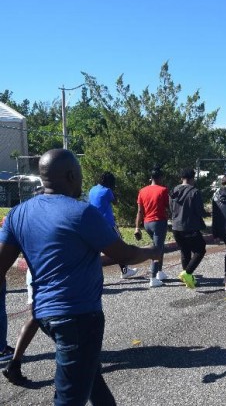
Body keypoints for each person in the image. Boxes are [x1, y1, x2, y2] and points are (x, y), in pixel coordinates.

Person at [0, 148, 160, 405]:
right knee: (69, 398)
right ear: (71, 176)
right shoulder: (81, 213)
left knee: (91, 377)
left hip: (44, 315)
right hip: (78, 317)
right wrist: (152, 251)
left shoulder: (18, 214)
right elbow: (124, 254)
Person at [89, 172, 139, 279]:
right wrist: (114, 191)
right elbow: (115, 202)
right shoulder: (107, 191)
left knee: (96, 250)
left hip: (95, 224)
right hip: (108, 224)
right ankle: (125, 271)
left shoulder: (92, 189)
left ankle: (92, 275)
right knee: (121, 245)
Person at [171, 168, 208, 290]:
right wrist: (207, 214)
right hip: (190, 226)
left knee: (185, 251)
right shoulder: (194, 192)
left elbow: (171, 208)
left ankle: (188, 279)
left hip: (176, 226)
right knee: (200, 249)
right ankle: (187, 273)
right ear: (192, 178)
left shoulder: (174, 190)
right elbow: (199, 211)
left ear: (181, 178)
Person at [135, 167, 170, 288]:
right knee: (157, 249)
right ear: (160, 177)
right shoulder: (163, 190)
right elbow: (168, 206)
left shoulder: (142, 191)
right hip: (159, 222)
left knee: (159, 246)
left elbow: (140, 211)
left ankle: (159, 272)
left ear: (151, 178)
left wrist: (137, 227)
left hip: (147, 223)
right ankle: (153, 278)